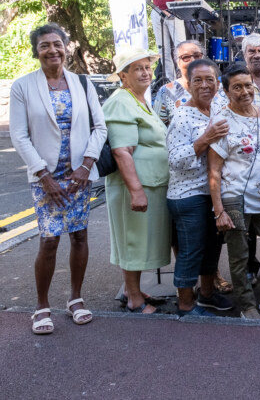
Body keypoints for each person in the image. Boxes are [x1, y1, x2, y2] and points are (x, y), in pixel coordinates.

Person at [10, 23, 107, 334]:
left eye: (57, 44)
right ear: (36, 51)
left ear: (68, 47)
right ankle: (41, 306)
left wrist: (86, 165)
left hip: (80, 176)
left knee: (79, 236)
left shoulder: (81, 82)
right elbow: (20, 135)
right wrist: (43, 175)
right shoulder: (23, 86)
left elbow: (100, 128)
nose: (52, 50)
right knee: (49, 240)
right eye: (44, 45)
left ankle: (76, 299)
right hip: (46, 178)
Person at [208, 63, 260, 321]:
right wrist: (219, 210)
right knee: (240, 256)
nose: (244, 91)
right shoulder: (221, 120)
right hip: (235, 197)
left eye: (247, 85)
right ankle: (246, 304)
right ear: (226, 91)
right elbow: (214, 171)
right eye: (237, 87)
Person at [103, 47, 171, 314]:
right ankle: (134, 298)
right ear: (123, 76)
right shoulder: (121, 101)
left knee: (140, 239)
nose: (145, 72)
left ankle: (135, 290)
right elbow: (122, 150)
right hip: (136, 186)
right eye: (137, 68)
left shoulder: (138, 99)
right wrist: (136, 190)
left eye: (147, 67)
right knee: (133, 240)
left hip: (150, 183)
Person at [166, 59, 233, 317]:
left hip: (212, 194)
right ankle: (185, 304)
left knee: (212, 249)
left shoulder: (217, 108)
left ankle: (207, 296)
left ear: (217, 83)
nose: (205, 85)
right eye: (198, 80)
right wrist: (205, 139)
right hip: (188, 196)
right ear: (188, 84)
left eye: (210, 80)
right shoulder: (182, 115)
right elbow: (175, 161)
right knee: (191, 251)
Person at [214, 33, 260, 113]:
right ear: (244, 54)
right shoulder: (233, 82)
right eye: (252, 51)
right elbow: (220, 110)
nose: (257, 55)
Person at [152, 40, 205, 127]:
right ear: (178, 63)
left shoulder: (218, 89)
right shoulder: (166, 92)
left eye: (197, 56)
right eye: (186, 57)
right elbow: (157, 129)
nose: (192, 60)